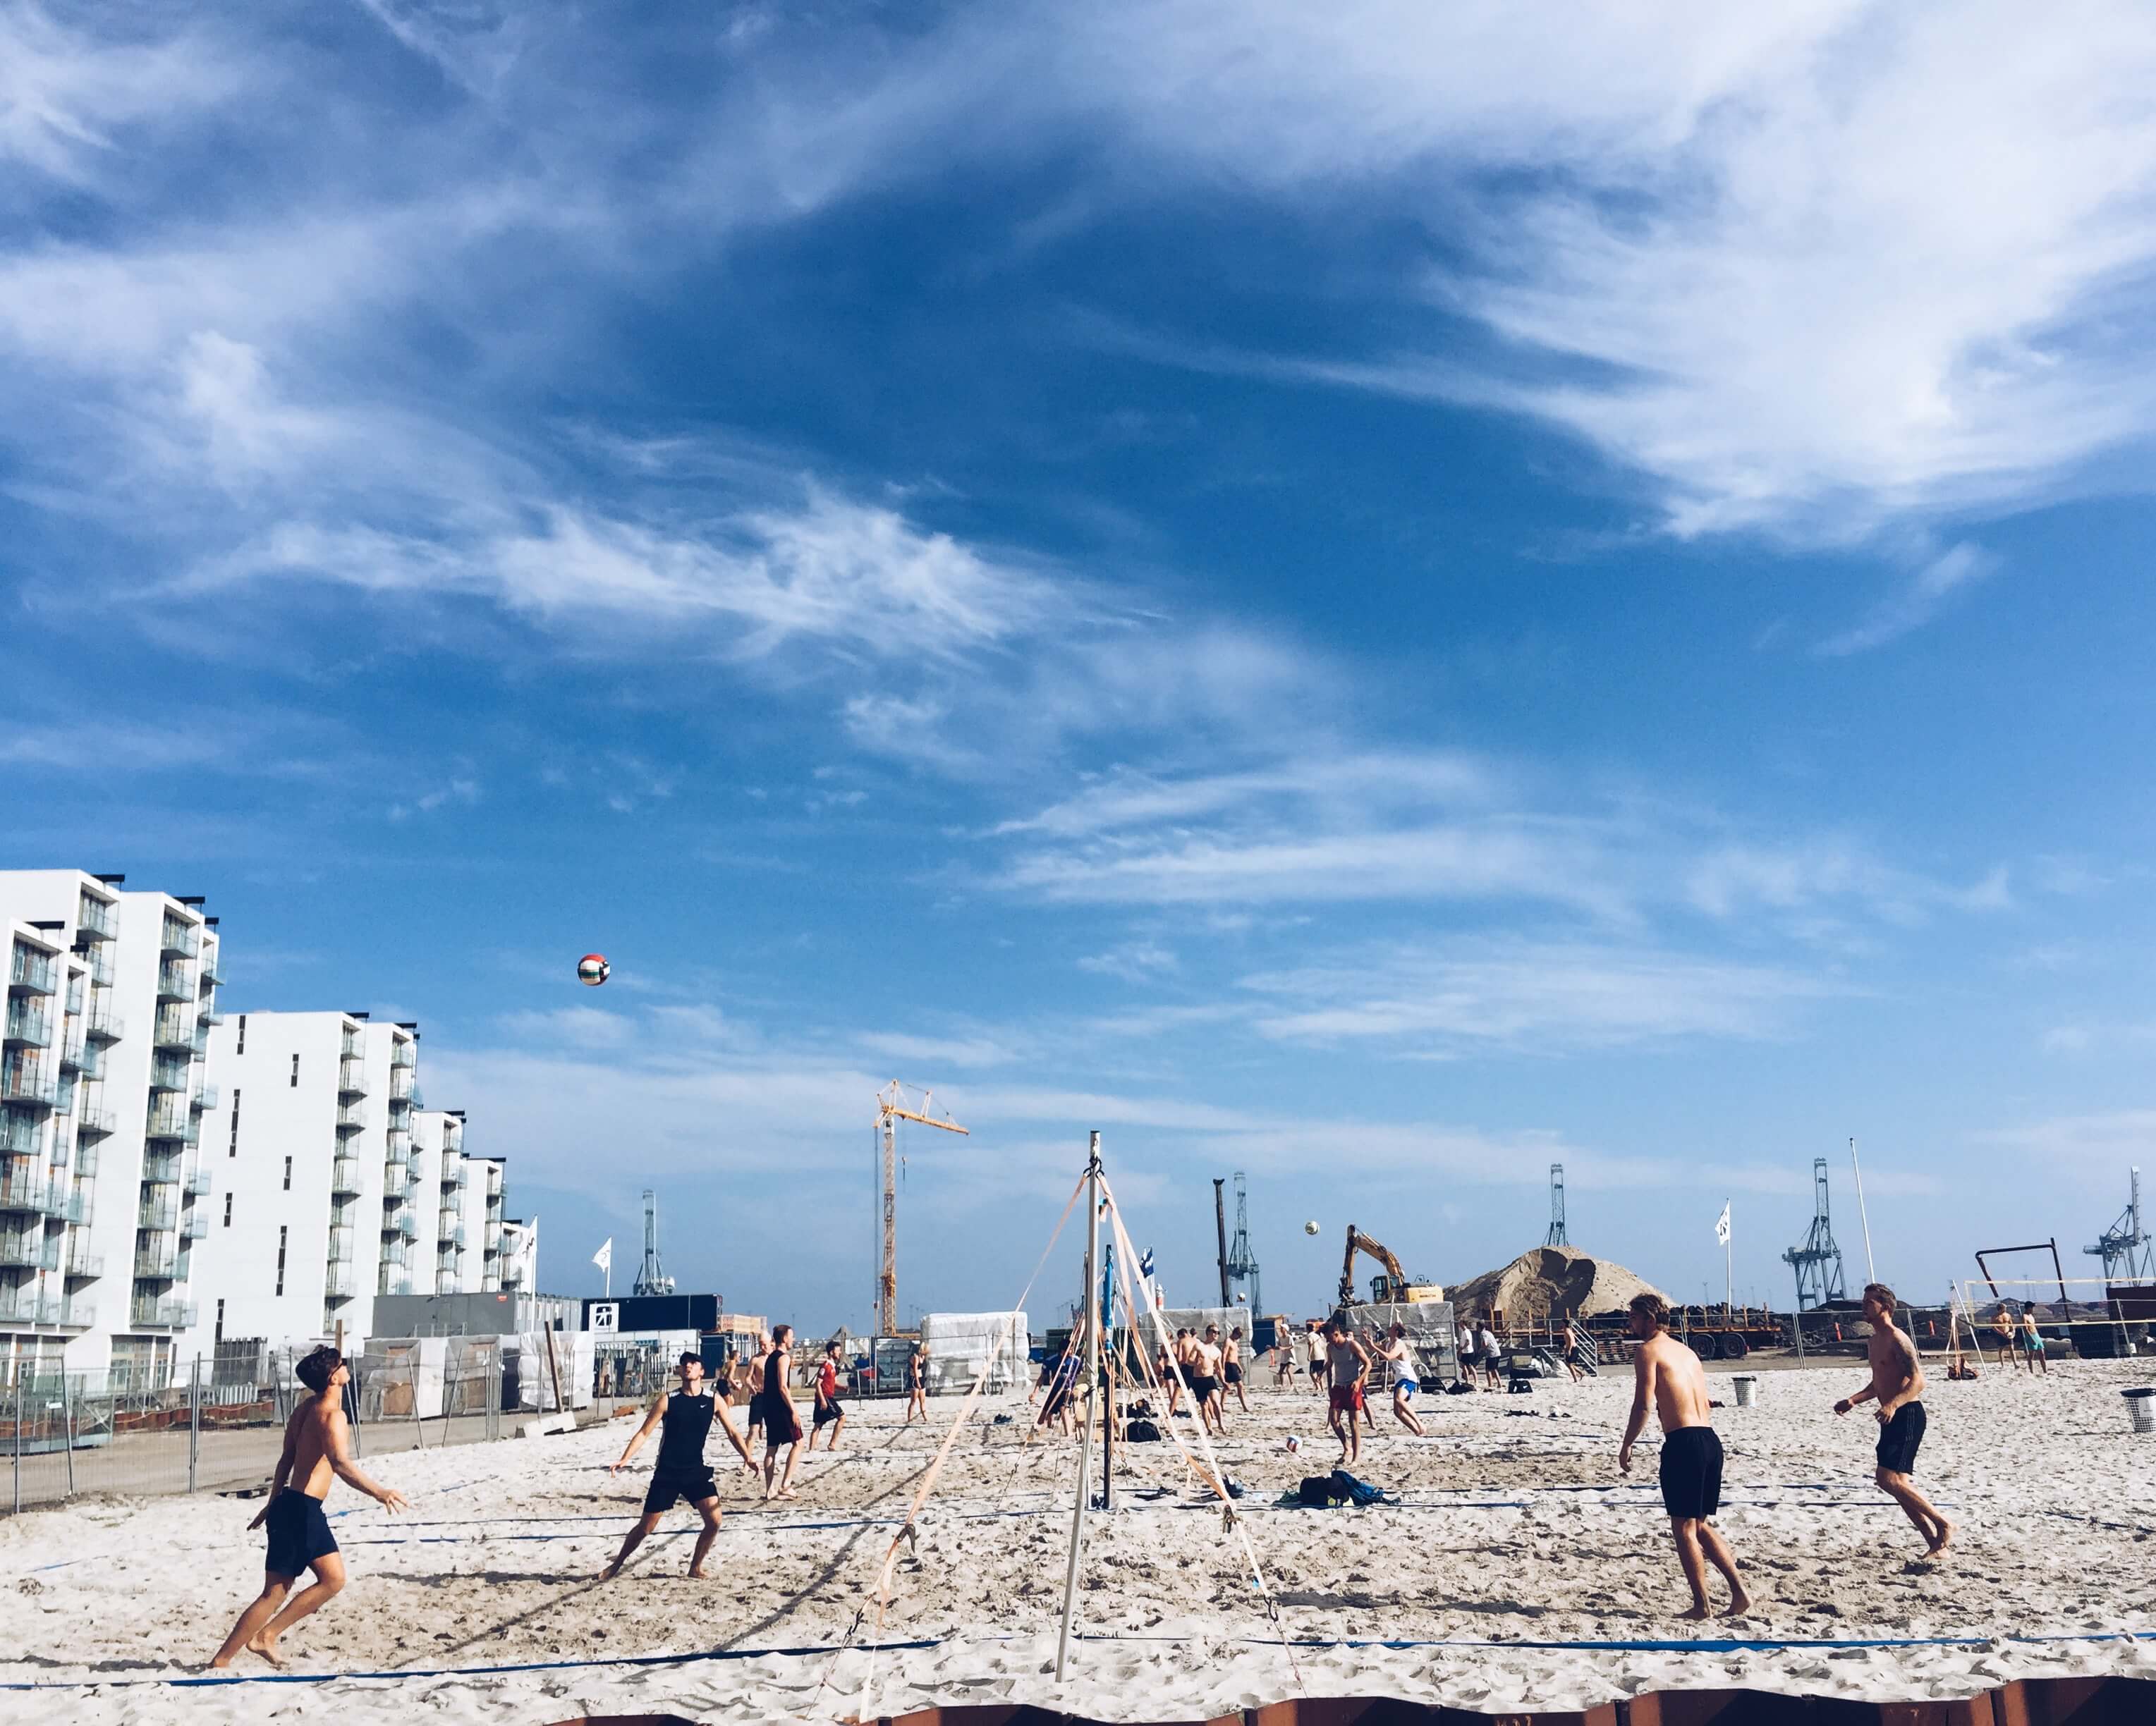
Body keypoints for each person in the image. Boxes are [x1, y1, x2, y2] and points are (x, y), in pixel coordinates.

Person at [210, 1345, 410, 1668]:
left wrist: (272, 1504)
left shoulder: (305, 1409)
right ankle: (253, 1643)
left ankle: (239, 1650)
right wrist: (379, 1492)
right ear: (333, 1377)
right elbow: (341, 1464)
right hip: (303, 1509)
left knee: (312, 1583)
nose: (347, 1367)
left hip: (290, 1505)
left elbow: (286, 1459)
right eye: (342, 1364)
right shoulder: (333, 1416)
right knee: (298, 1588)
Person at [1618, 1292, 1751, 1620]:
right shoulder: (1688, 1352)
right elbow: (1703, 1402)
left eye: (1634, 1317)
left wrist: (1627, 1443)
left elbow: (1644, 1404)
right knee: (1700, 1526)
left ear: (1650, 1319)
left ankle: (1702, 1605)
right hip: (1709, 1439)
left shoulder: (1647, 1351)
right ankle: (1739, 1593)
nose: (1630, 1323)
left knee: (1684, 1529)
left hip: (1684, 1442)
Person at [602, 1351, 755, 1580]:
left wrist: (748, 1457)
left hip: (696, 1472)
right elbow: (644, 1432)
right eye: (684, 1364)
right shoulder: (668, 1400)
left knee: (714, 1522)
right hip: (668, 1473)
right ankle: (616, 1565)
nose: (688, 1366)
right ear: (680, 1370)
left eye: (693, 1363)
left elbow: (733, 1432)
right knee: (646, 1528)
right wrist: (625, 1458)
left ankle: (695, 1568)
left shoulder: (713, 1400)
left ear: (702, 1371)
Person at [1834, 1282, 1953, 1557]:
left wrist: (1893, 1405)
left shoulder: (1897, 1338)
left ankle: (1944, 1525)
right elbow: (1880, 1383)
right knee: (1898, 1484)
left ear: (1885, 1307)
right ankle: (1936, 1544)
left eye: (1869, 1302)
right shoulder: (1874, 1341)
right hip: (1891, 1416)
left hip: (1908, 1414)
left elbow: (1919, 1381)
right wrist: (1853, 1400)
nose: (1864, 1306)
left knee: (1887, 1480)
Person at [757, 1325, 805, 1500]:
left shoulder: (769, 1358)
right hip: (780, 1407)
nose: (793, 1339)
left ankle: (770, 1491)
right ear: (784, 1339)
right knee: (799, 1443)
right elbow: (783, 1387)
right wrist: (793, 1409)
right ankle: (785, 1484)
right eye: (791, 1336)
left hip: (768, 1407)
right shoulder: (783, 1357)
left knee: (772, 1449)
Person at [1324, 1319, 1371, 1466]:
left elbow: (1368, 1364)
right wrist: (1330, 1386)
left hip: (1352, 1386)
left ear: (1336, 1334)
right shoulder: (1330, 1348)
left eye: (1329, 1337)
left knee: (1354, 1424)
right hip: (1338, 1386)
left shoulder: (1352, 1345)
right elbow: (1330, 1366)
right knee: (1334, 1421)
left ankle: (1356, 1459)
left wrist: (1359, 1381)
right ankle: (1346, 1447)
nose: (1328, 1341)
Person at [1377, 1323, 1426, 1437]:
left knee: (1399, 1399)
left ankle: (1420, 1424)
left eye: (1392, 1328)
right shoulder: (1389, 1343)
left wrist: (1373, 1347)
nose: (1389, 1329)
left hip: (1408, 1378)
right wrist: (1367, 1341)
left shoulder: (1399, 1345)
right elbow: (1374, 1348)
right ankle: (1417, 1431)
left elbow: (1388, 1357)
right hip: (1399, 1379)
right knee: (1397, 1412)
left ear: (1396, 1332)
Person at [808, 1340, 848, 1452]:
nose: (840, 1353)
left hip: (827, 1396)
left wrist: (843, 1388)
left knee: (818, 1424)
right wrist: (823, 1400)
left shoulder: (833, 1367)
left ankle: (811, 1449)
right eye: (838, 1351)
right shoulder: (825, 1366)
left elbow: (833, 1383)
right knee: (842, 1418)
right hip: (825, 1397)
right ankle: (832, 1444)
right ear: (831, 1352)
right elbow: (818, 1384)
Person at [1190, 1326, 1226, 1435]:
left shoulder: (1217, 1352)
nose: (1216, 1334)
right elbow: (1189, 1360)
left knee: (1216, 1401)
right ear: (1208, 1333)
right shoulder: (1199, 1346)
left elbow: (1219, 1369)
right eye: (1214, 1332)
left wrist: (1224, 1382)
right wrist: (1196, 1363)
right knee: (1204, 1405)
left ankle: (1221, 1424)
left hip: (1209, 1378)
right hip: (1198, 1379)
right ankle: (1209, 1429)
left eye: (1218, 1332)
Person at [1224, 1326, 1252, 1414]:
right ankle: (1244, 1406)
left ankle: (1221, 1405)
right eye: (1238, 1336)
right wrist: (1222, 1366)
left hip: (1234, 1365)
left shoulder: (1235, 1343)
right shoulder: (1228, 1341)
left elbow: (1235, 1357)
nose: (1238, 1338)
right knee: (1240, 1386)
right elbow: (1224, 1354)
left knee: (1227, 1387)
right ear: (1234, 1333)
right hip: (1229, 1365)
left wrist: (1239, 1367)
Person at [2019, 1306, 2050, 1376]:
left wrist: (2038, 1336)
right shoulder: (2024, 1316)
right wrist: (2031, 1338)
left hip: (2036, 1335)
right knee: (2031, 1355)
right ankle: (2031, 1371)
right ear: (2027, 1308)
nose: (2032, 1310)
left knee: (2042, 1353)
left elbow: (2034, 1326)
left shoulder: (2031, 1316)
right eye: (2031, 1308)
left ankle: (2045, 1371)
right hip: (2030, 1336)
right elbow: (2026, 1329)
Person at [1990, 1304, 2022, 1371]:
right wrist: (2001, 1333)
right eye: (2004, 1308)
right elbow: (1994, 1327)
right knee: (2001, 1349)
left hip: (2008, 1334)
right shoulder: (1995, 1317)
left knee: (2012, 1348)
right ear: (2000, 1309)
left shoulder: (2008, 1315)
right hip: (2000, 1334)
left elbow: (2011, 1324)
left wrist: (2013, 1330)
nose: (2006, 1309)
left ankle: (2015, 1364)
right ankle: (2002, 1364)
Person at [905, 1341, 927, 1424]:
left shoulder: (924, 1357)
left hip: (921, 1378)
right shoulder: (916, 1357)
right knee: (913, 1401)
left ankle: (925, 1418)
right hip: (915, 1379)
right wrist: (917, 1382)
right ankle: (909, 1419)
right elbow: (914, 1370)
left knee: (923, 1401)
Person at [1559, 1316, 1586, 1383]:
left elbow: (1571, 1341)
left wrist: (1569, 1349)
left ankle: (1576, 1380)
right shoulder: (1566, 1330)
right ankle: (1581, 1373)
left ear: (1565, 1324)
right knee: (1568, 1364)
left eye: (1562, 1323)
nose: (1561, 1324)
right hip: (1571, 1348)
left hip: (1573, 1348)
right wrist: (1566, 1347)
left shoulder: (1567, 1331)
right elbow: (1568, 1341)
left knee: (1570, 1365)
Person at [1306, 1320, 1329, 1397]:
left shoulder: (1309, 1336)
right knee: (1319, 1373)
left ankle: (1318, 1386)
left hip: (1315, 1356)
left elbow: (1310, 1345)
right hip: (1321, 1355)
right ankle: (1322, 1388)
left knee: (1312, 1373)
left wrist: (1309, 1355)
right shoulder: (1318, 1335)